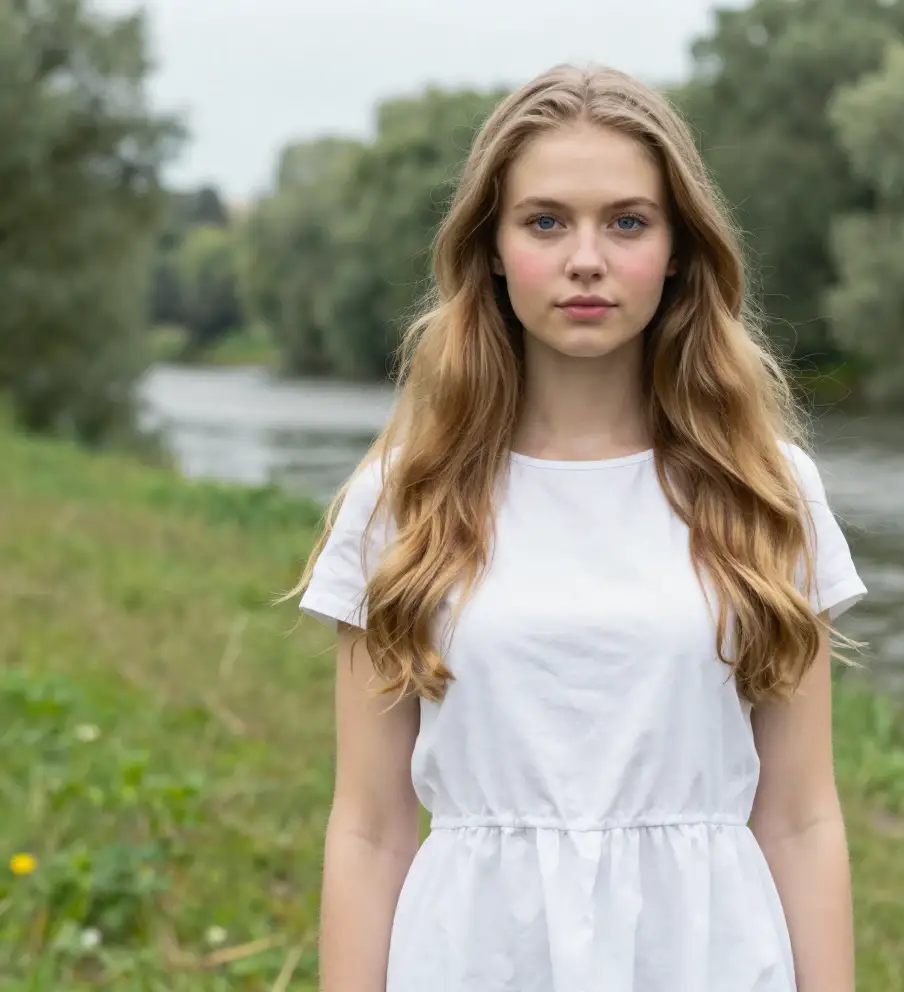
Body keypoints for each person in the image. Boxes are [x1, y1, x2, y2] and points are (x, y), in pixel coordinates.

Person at [284, 63, 868, 992]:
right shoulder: (408, 498)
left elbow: (799, 818)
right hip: (475, 960)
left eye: (627, 222)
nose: (585, 258)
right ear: (492, 247)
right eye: (546, 221)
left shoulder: (765, 490)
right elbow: (370, 825)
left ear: (678, 249)